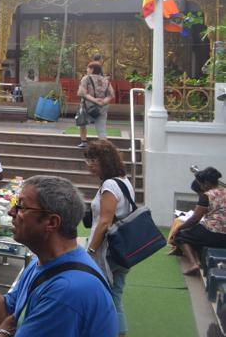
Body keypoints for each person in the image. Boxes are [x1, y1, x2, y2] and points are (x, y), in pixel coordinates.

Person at [0, 175, 117, 337]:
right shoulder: (42, 262)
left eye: (21, 207)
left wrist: (2, 333)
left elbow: (6, 326)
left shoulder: (67, 292)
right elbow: (6, 314)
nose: (11, 212)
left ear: (51, 222)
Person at [84, 140, 136, 336]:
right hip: (122, 248)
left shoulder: (109, 185)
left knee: (104, 295)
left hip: (107, 250)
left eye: (93, 160)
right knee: (116, 295)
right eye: (88, 160)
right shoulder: (124, 181)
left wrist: (91, 250)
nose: (89, 164)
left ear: (105, 161)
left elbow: (105, 222)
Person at [172, 166, 226, 276]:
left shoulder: (207, 196)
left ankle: (194, 264)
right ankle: (199, 260)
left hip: (213, 232)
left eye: (201, 184)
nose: (201, 187)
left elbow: (195, 219)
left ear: (206, 183)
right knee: (196, 234)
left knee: (180, 236)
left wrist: (179, 228)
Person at [77, 62, 114, 148]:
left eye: (88, 68)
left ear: (92, 69)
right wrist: (103, 101)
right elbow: (111, 95)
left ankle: (84, 142)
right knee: (101, 129)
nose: (87, 70)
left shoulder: (86, 78)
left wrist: (95, 100)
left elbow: (82, 93)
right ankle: (104, 147)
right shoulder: (105, 80)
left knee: (82, 124)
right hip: (102, 108)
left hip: (88, 107)